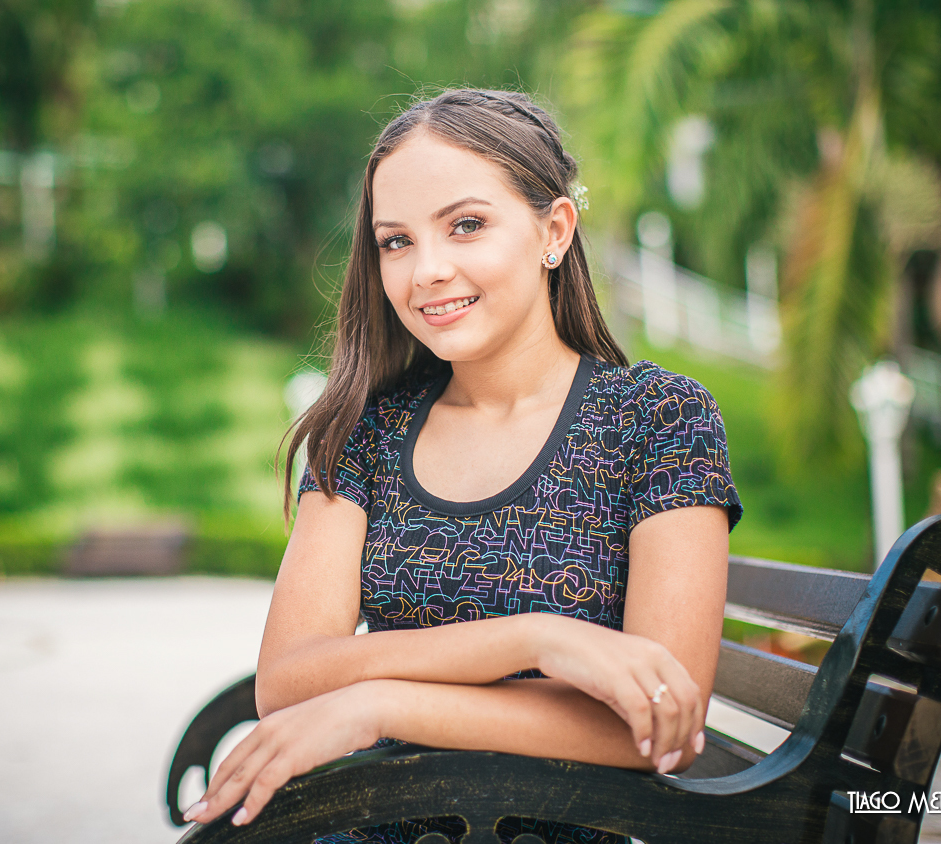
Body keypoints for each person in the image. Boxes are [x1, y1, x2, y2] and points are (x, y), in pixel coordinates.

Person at [183, 88, 743, 844]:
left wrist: (376, 702)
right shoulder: (366, 429)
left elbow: (655, 724)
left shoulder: (657, 420)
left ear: (555, 230)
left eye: (467, 226)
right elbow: (287, 680)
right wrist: (535, 638)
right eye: (396, 241)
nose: (427, 271)